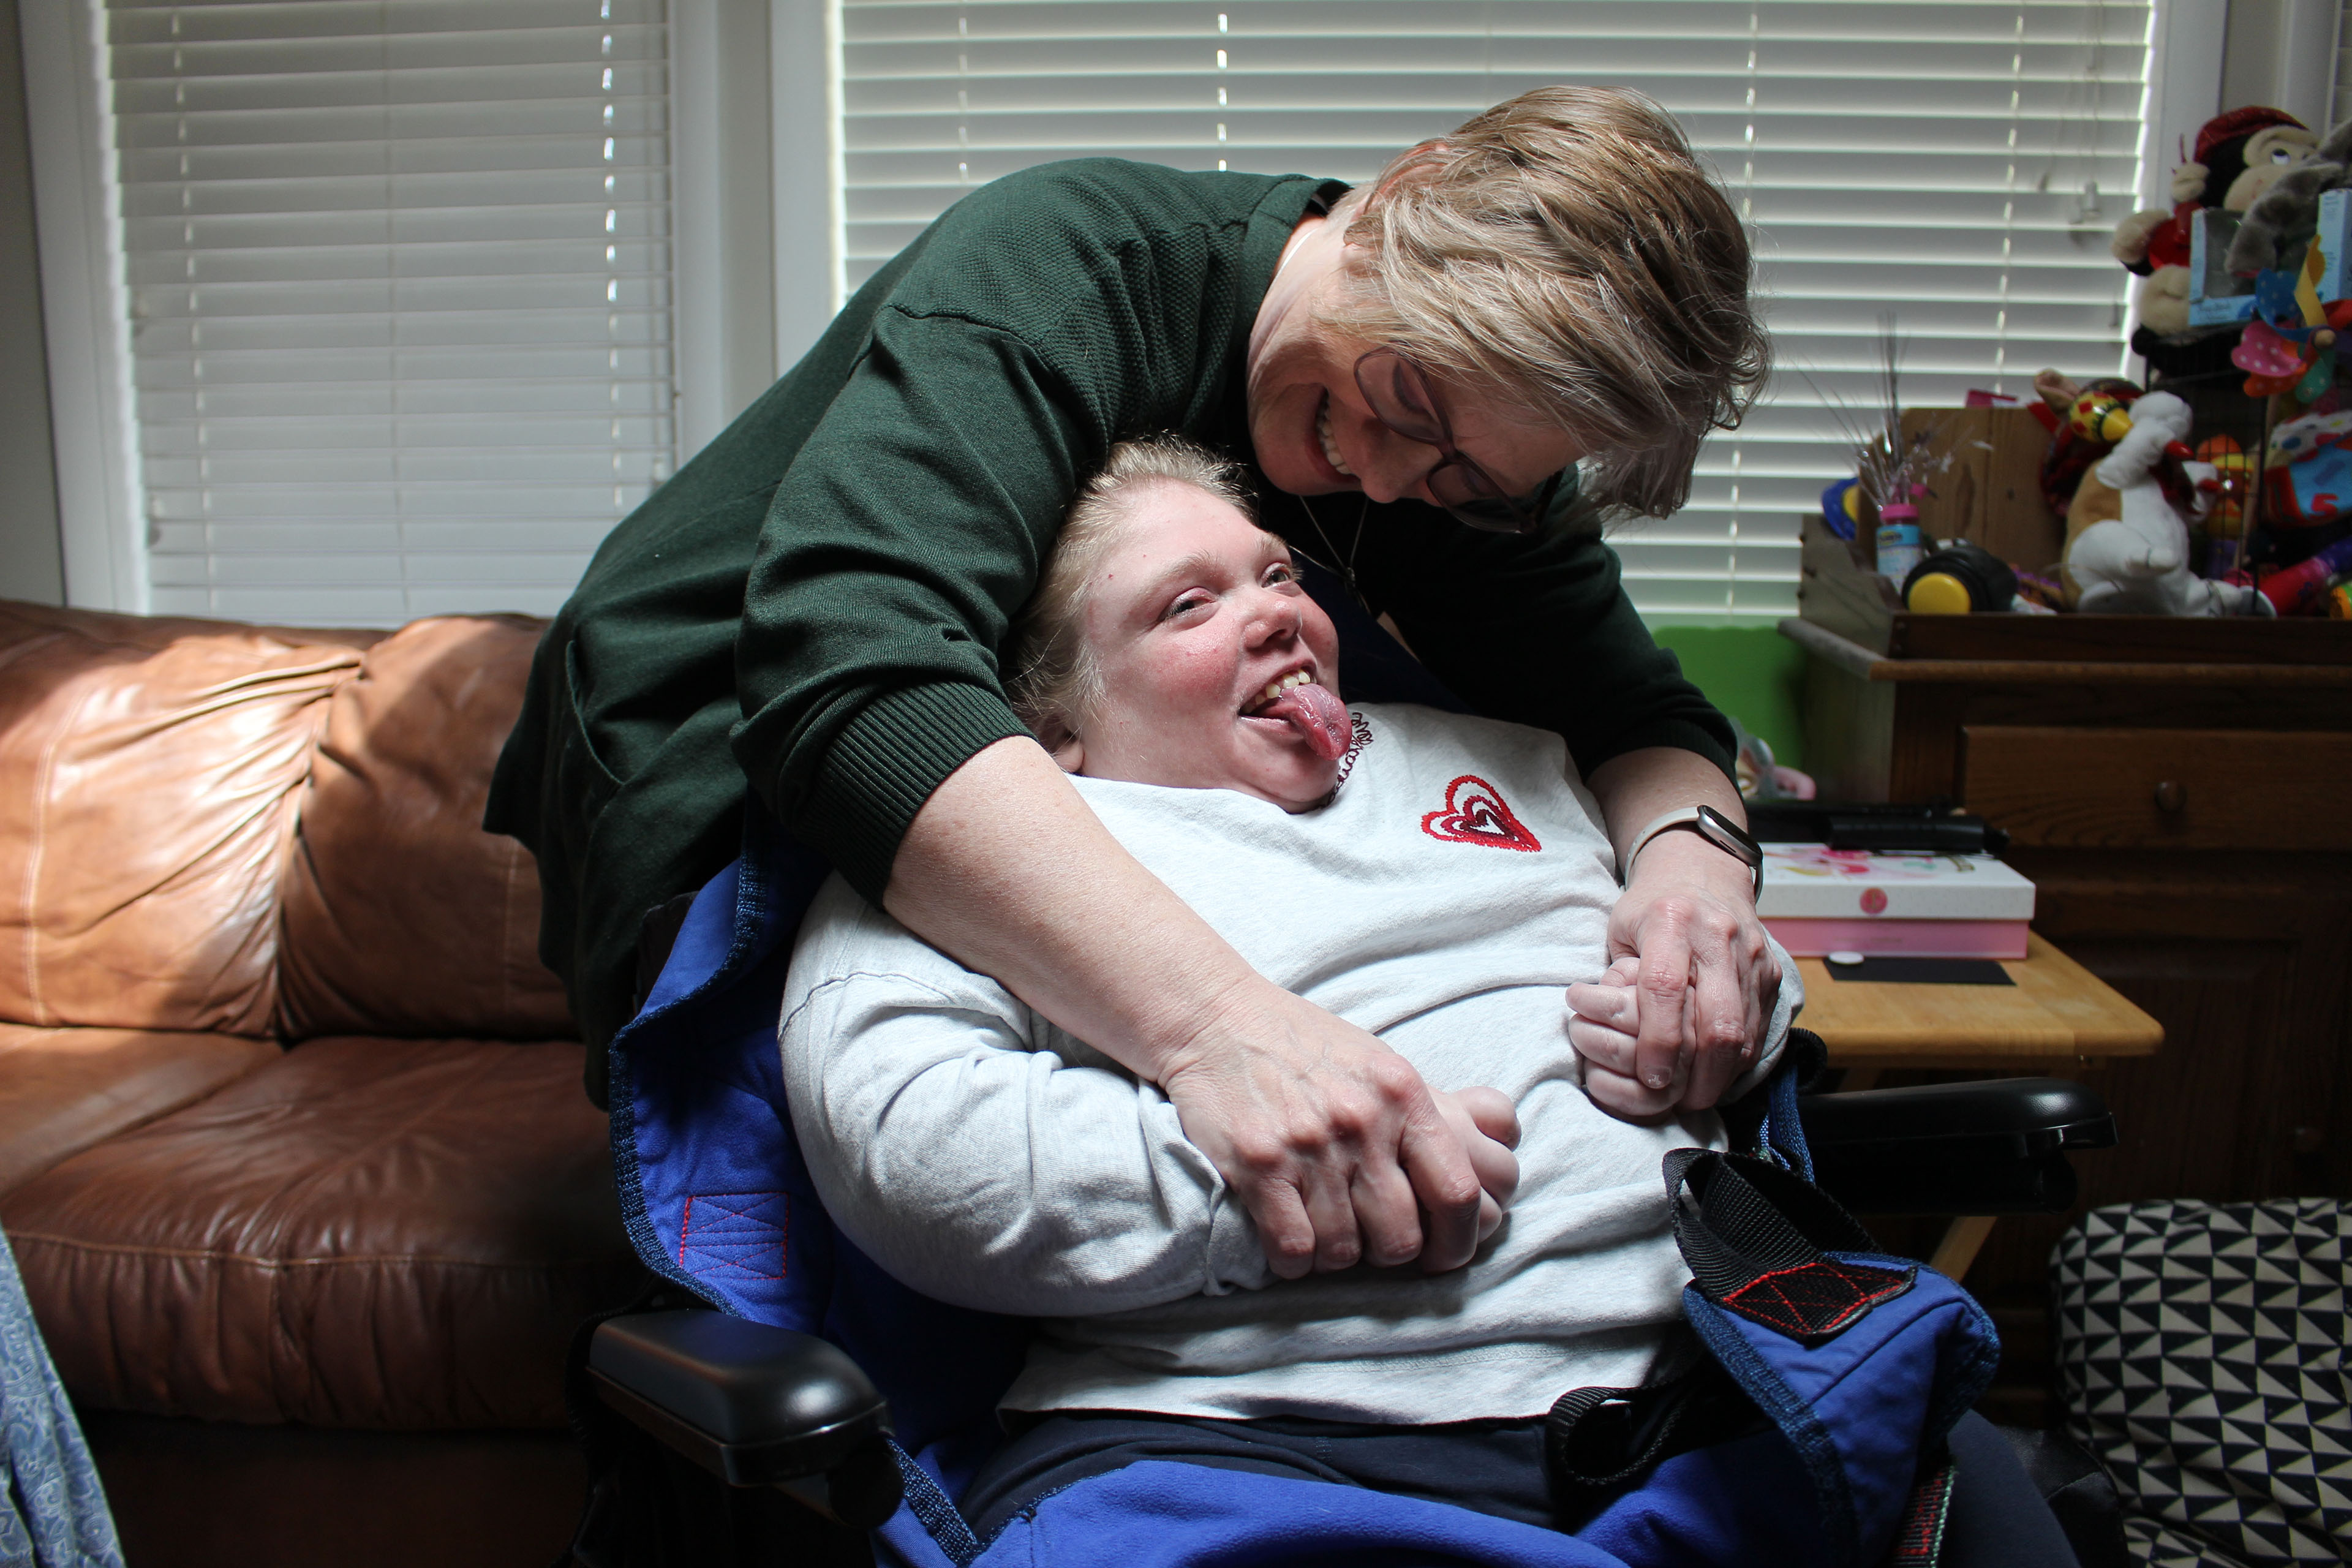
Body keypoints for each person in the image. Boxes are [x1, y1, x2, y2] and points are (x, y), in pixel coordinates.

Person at [489, 85, 1782, 1286]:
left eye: (1462, 481)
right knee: (789, 1233)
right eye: (1406, 398)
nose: (1392, 484)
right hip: (703, 711)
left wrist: (1695, 886)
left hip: (912, 690)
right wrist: (1221, 1028)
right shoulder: (1065, 266)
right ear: (1403, 198)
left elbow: (1641, 718)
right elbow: (854, 673)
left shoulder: (1474, 444)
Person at [778, 439, 1796, 1538]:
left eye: (1278, 575)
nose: (1276, 617)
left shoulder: (1513, 759)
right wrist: (1285, 1189)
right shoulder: (976, 848)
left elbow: (1741, 968)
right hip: (1243, 1452)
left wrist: (1718, 1010)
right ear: (1053, 721)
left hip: (1716, 1396)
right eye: (1185, 608)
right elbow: (909, 1146)